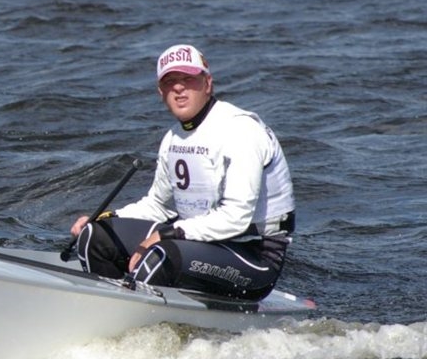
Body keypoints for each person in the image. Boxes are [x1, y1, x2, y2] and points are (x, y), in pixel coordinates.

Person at [69, 44, 295, 301]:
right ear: (160, 92)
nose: (178, 88)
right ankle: (103, 308)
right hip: (197, 243)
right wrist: (104, 217)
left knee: (162, 255)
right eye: (170, 81)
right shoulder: (173, 139)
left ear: (207, 84)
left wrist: (168, 233)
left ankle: (131, 316)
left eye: (188, 79)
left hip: (255, 255)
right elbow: (159, 206)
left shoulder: (240, 131)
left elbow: (236, 218)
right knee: (96, 236)